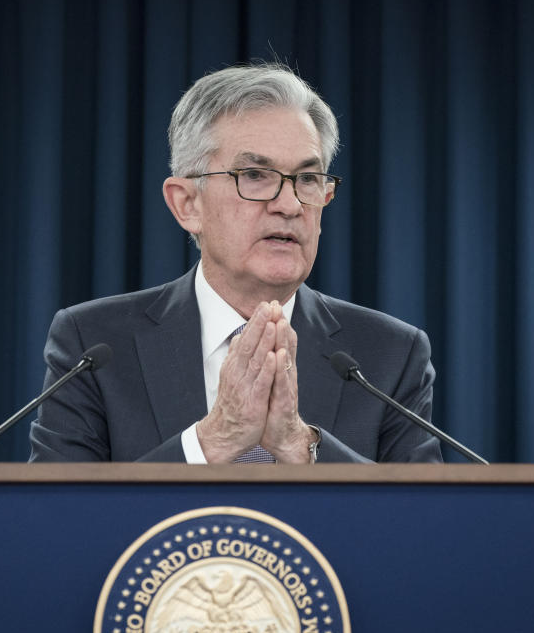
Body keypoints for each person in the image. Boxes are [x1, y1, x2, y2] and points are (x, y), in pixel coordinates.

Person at [29, 63, 442, 464]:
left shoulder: (389, 355)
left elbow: (423, 525)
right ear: (187, 203)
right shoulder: (94, 345)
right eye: (255, 175)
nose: (289, 204)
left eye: (308, 179)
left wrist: (301, 447)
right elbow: (57, 521)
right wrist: (213, 442)